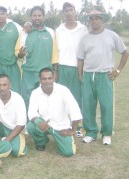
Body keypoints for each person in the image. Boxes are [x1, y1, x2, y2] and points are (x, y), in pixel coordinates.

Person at [77, 10, 129, 145]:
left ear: (102, 20)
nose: (94, 21)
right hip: (88, 75)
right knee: (88, 105)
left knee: (106, 105)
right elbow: (80, 59)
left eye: (97, 18)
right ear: (89, 21)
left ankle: (106, 133)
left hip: (105, 75)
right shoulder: (85, 38)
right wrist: (80, 75)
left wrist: (117, 70)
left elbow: (125, 52)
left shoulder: (112, 35)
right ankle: (91, 132)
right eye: (91, 19)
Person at [27, 68, 82, 157]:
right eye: (44, 79)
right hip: (44, 124)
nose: (47, 81)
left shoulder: (63, 90)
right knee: (31, 126)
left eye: (50, 78)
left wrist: (73, 130)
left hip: (60, 127)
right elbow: (31, 112)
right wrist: (39, 122)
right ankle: (41, 142)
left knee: (68, 152)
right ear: (40, 80)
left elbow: (75, 110)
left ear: (54, 78)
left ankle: (62, 142)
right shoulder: (35, 93)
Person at [55, 2, 88, 138]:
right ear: (63, 13)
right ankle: (65, 123)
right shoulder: (59, 30)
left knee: (76, 97)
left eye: (71, 10)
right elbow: (56, 51)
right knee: (62, 96)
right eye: (66, 11)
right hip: (62, 67)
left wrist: (83, 70)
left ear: (75, 12)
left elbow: (86, 50)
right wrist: (55, 69)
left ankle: (78, 125)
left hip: (77, 67)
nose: (69, 13)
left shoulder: (83, 29)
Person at [19, 6, 58, 111]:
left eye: (39, 15)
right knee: (28, 99)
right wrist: (20, 54)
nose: (37, 18)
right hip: (28, 72)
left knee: (45, 99)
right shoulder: (24, 33)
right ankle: (29, 124)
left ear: (43, 17)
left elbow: (54, 53)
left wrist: (55, 71)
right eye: (34, 15)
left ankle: (45, 122)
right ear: (31, 17)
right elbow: (18, 54)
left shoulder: (50, 32)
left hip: (46, 72)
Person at [0, 74, 27, 157]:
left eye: (4, 85)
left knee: (17, 152)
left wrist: (7, 140)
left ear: (9, 85)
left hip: (14, 129)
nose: (2, 88)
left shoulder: (18, 99)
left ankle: (2, 143)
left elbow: (21, 124)